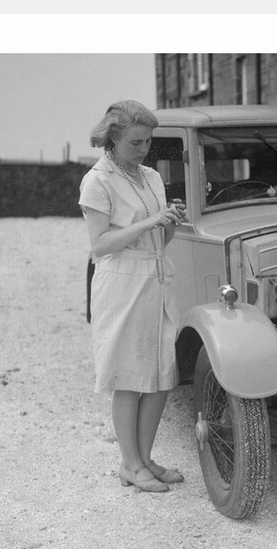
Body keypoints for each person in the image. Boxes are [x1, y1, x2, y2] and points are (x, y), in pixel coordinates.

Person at [79, 100, 188, 493]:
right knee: (129, 377)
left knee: (160, 376)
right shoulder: (97, 181)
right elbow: (100, 245)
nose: (144, 149)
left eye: (148, 142)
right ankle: (129, 464)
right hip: (122, 283)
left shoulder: (151, 177)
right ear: (113, 139)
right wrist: (149, 221)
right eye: (135, 143)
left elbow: (160, 238)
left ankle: (145, 459)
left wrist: (170, 220)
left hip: (156, 277)